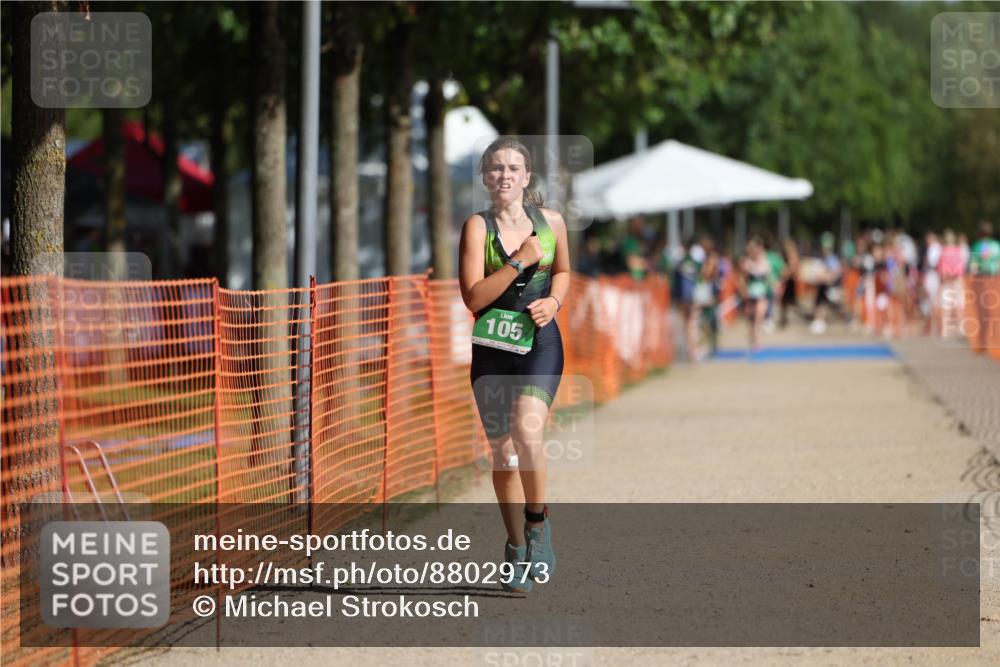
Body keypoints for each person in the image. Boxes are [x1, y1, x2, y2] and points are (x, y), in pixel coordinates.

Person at [458, 137, 570, 593]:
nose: (504, 175)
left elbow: (563, 271)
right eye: (496, 168)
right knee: (503, 452)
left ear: (527, 177)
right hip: (492, 348)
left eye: (513, 168)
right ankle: (515, 544)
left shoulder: (552, 223)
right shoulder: (476, 228)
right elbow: (473, 298)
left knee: (527, 431)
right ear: (485, 177)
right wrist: (519, 262)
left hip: (540, 341)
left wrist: (554, 302)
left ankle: (537, 526)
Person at [968, 221, 1000, 352]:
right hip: (996, 280)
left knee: (982, 311)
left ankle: (984, 339)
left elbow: (974, 265)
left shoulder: (979, 246)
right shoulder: (997, 245)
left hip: (983, 281)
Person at [738, 238, 771, 351]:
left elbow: (768, 277)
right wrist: (743, 290)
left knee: (759, 316)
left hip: (761, 293)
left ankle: (756, 340)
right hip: (750, 293)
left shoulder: (765, 262)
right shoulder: (746, 262)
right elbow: (741, 278)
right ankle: (752, 337)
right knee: (751, 318)